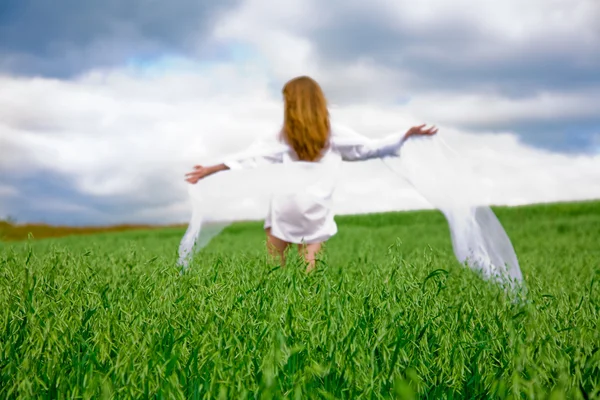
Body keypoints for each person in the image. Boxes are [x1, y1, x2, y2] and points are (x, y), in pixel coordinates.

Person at [184, 76, 437, 273]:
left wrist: (211, 169)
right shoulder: (331, 133)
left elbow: (251, 158)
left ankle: (277, 316)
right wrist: (403, 137)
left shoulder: (283, 134)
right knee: (309, 275)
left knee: (274, 271)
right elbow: (367, 148)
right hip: (316, 212)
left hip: (284, 210)